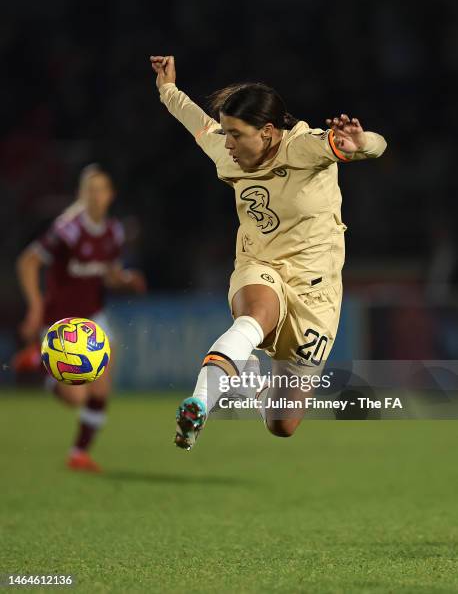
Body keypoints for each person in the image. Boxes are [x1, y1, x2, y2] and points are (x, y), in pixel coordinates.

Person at [150, 55, 387, 450]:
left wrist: (363, 143)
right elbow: (195, 120)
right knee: (255, 316)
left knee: (282, 423)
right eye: (226, 132)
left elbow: (376, 146)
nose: (227, 143)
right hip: (260, 264)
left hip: (317, 290)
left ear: (269, 132)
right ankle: (199, 406)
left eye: (236, 134)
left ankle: (251, 385)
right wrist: (167, 89)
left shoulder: (305, 149)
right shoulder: (229, 151)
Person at [16, 164, 146, 471]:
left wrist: (126, 280)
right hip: (60, 320)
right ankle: (42, 363)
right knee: (76, 398)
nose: (94, 196)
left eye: (100, 189)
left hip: (92, 317)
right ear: (80, 194)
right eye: (89, 190)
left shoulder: (114, 232)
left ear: (110, 195)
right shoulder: (68, 230)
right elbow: (28, 262)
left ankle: (79, 452)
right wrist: (35, 306)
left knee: (101, 387)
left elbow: (110, 275)